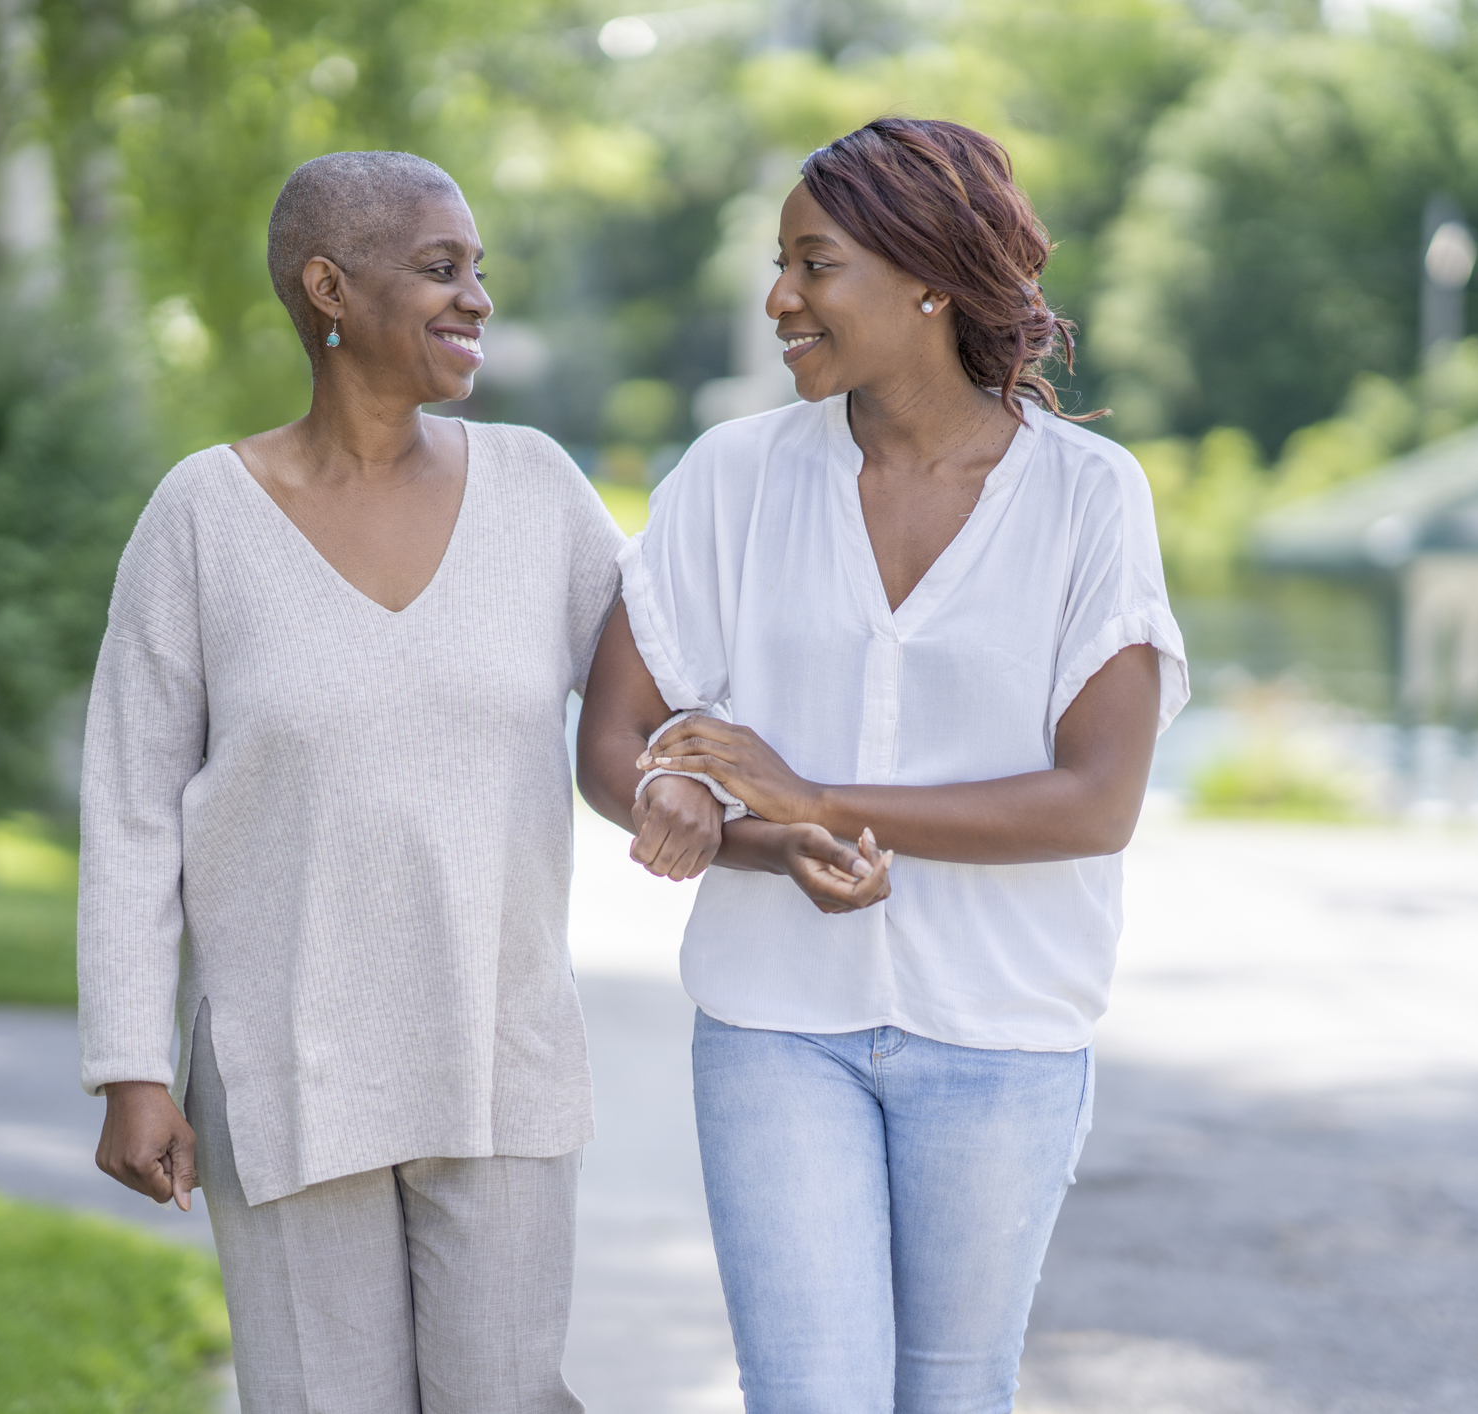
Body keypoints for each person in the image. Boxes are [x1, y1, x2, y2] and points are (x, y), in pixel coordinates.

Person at [577, 117, 1189, 1414]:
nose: (778, 297)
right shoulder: (730, 477)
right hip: (775, 1023)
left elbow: (1097, 800)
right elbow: (618, 742)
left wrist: (815, 797)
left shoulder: (1090, 495)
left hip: (1004, 1031)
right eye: (781, 264)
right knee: (808, 1395)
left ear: (927, 276)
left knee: (954, 1394)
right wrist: (717, 814)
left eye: (813, 263)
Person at [78, 151, 620, 1414]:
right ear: (329, 287)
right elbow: (129, 804)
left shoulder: (540, 491)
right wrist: (129, 1064)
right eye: (441, 269)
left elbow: (667, 683)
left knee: (506, 1395)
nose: (477, 296)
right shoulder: (202, 517)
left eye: (479, 270)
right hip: (286, 1056)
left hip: (500, 1043)